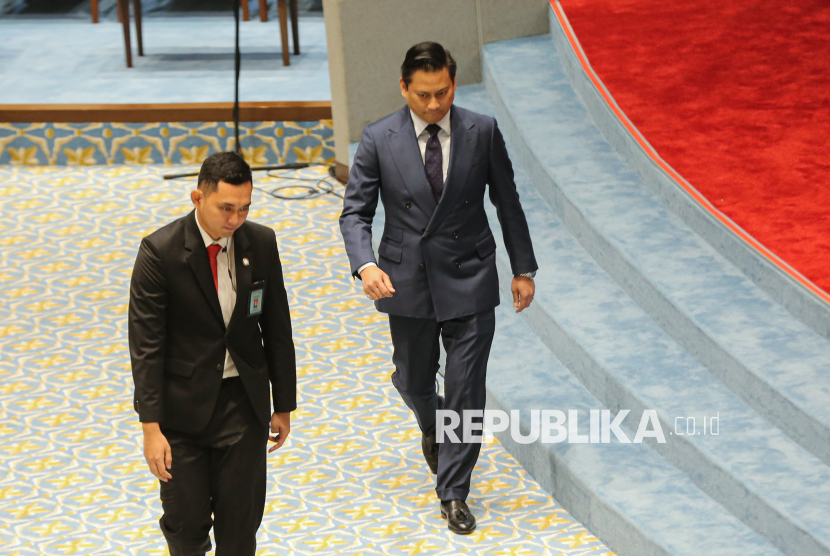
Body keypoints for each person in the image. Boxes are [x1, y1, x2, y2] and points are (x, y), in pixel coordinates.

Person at [339, 42, 538, 534]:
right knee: (413, 381)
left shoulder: (481, 131)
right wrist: (365, 265)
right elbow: (355, 212)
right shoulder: (378, 137)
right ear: (403, 87)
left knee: (465, 389)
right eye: (423, 95)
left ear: (453, 84)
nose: (434, 104)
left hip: (470, 274)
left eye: (443, 93)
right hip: (405, 279)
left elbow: (507, 200)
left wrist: (522, 268)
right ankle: (434, 426)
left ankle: (453, 491)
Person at [128, 152, 296, 556]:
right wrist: (150, 428)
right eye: (226, 208)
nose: (235, 219)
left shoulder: (260, 242)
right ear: (197, 197)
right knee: (186, 529)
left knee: (240, 530)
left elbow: (277, 327)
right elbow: (146, 347)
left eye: (244, 208)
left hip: (243, 404)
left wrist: (283, 404)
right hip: (181, 412)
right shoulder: (160, 252)